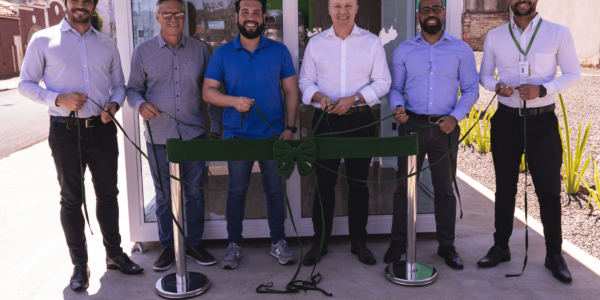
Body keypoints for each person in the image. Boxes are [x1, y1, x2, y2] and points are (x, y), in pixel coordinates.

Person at [18, 0, 143, 291]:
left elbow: (119, 84)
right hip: (64, 131)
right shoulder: (43, 40)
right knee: (71, 200)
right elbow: (25, 84)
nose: (81, 5)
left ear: (95, 5)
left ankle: (114, 255)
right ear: (65, 3)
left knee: (108, 195)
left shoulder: (107, 44)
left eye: (87, 0)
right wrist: (58, 99)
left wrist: (114, 103)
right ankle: (79, 265)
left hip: (101, 129)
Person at [477, 0, 580, 283]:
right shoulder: (495, 35)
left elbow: (574, 74)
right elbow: (484, 75)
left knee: (549, 191)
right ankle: (501, 247)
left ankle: (554, 255)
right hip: (506, 120)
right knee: (504, 188)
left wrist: (543, 89)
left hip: (543, 122)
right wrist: (497, 85)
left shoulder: (559, 32)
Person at [126, 0, 222, 272]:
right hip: (159, 135)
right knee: (165, 194)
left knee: (193, 192)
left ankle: (192, 244)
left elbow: (212, 91)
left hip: (193, 133)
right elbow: (133, 89)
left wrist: (215, 126)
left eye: (178, 14)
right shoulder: (143, 52)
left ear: (184, 18)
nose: (173, 18)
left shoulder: (200, 50)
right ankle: (168, 246)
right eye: (166, 14)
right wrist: (140, 105)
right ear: (157, 17)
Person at [202, 0, 298, 270]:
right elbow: (208, 91)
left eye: (256, 12)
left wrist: (290, 128)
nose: (251, 17)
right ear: (237, 16)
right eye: (245, 12)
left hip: (274, 136)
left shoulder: (279, 51)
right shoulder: (222, 54)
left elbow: (291, 91)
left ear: (264, 16)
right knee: (236, 192)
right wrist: (232, 101)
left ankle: (278, 241)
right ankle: (234, 244)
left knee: (275, 192)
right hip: (237, 137)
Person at [386, 0, 479, 270]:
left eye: (435, 8)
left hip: (445, 128)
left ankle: (446, 245)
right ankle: (398, 241)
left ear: (444, 13)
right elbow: (395, 88)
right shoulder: (404, 49)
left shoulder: (460, 49)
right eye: (425, 9)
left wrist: (455, 116)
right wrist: (398, 107)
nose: (430, 14)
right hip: (411, 125)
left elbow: (471, 89)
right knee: (404, 188)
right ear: (418, 14)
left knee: (444, 189)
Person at [298, 0, 392, 266]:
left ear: (356, 8)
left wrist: (356, 99)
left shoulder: (371, 42)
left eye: (348, 5)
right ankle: (320, 241)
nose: (343, 10)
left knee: (359, 185)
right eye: (337, 5)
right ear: (329, 10)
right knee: (323, 186)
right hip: (324, 121)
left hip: (360, 120)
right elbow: (305, 81)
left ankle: (359, 243)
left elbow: (383, 81)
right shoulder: (316, 44)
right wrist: (317, 95)